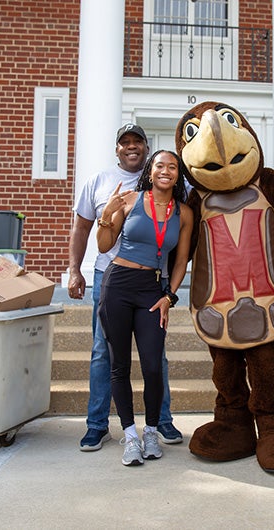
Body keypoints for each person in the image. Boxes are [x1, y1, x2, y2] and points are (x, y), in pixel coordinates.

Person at [68, 124, 183, 452]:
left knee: (154, 356)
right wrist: (75, 270)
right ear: (117, 149)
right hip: (109, 278)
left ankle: (161, 420)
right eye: (125, 143)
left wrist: (168, 292)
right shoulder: (100, 181)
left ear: (147, 149)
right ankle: (97, 424)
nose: (131, 147)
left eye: (138, 142)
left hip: (151, 283)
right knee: (104, 353)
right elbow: (82, 227)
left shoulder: (165, 184)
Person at [96, 150, 193, 466]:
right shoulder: (129, 200)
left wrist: (170, 296)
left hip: (153, 290)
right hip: (118, 284)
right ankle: (130, 436)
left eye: (172, 167)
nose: (166, 171)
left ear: (178, 174)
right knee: (119, 364)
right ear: (150, 172)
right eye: (160, 166)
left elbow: (180, 261)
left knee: (153, 366)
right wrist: (106, 216)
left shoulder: (185, 213)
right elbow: (103, 244)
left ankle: (151, 430)